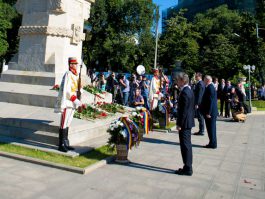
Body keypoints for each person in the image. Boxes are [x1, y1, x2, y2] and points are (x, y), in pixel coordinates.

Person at [54, 57, 83, 152]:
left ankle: (66, 142)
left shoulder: (75, 75)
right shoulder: (68, 74)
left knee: (68, 122)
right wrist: (76, 101)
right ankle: (61, 144)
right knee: (63, 123)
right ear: (71, 65)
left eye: (76, 64)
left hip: (73, 103)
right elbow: (67, 91)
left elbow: (77, 89)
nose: (76, 65)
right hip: (68, 102)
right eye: (75, 64)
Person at [175, 72, 195, 176]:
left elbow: (184, 111)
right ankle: (187, 166)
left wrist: (179, 124)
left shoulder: (185, 92)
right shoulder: (188, 90)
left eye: (178, 80)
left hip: (185, 123)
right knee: (187, 145)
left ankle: (188, 168)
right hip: (188, 122)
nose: (177, 82)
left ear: (183, 81)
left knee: (185, 145)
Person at [200, 75, 218, 149]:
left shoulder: (210, 88)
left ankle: (213, 144)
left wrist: (208, 113)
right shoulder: (210, 87)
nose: (203, 81)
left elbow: (211, 101)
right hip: (210, 112)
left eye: (204, 80)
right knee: (210, 128)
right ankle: (212, 142)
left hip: (210, 113)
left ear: (207, 80)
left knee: (211, 129)